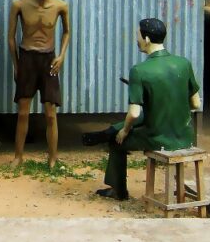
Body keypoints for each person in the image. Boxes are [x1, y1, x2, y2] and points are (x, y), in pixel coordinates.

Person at [83, 18, 201, 200]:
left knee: (117, 141)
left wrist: (124, 131)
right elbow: (196, 104)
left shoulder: (140, 70)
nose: (137, 39)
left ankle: (118, 191)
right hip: (185, 137)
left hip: (158, 138)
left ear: (146, 39)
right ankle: (109, 131)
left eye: (138, 35)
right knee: (148, 116)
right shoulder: (183, 63)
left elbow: (134, 113)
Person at [8, 0, 71, 168]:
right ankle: (18, 156)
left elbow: (67, 32)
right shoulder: (19, 4)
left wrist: (61, 56)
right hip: (27, 58)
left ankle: (52, 158)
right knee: (23, 111)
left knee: (50, 113)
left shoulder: (60, 5)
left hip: (49, 59)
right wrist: (16, 64)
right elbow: (10, 36)